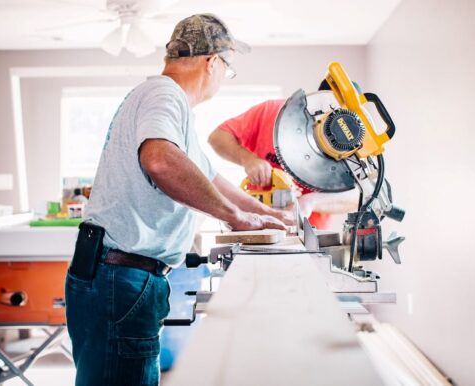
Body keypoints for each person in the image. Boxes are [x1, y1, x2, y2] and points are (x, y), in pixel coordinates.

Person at [65, 14, 290, 386]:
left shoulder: (168, 106)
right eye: (226, 68)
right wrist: (235, 216)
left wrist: (264, 213)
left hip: (116, 275)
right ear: (213, 62)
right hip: (121, 278)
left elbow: (210, 177)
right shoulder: (164, 94)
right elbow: (159, 160)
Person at [209, 99, 358, 230]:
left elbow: (358, 196)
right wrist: (248, 159)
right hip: (255, 226)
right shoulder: (272, 111)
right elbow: (217, 137)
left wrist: (310, 202)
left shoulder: (351, 144)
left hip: (308, 235)